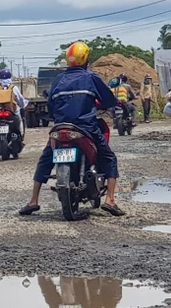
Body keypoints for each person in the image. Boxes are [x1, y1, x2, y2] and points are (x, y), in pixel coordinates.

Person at [19, 42, 124, 217]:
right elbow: (109, 101)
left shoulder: (58, 80)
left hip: (60, 128)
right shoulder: (91, 78)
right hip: (86, 128)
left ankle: (33, 201)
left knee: (45, 160)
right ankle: (110, 200)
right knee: (109, 157)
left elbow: (51, 106)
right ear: (87, 59)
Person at [0, 69, 29, 140]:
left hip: (0, 111)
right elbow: (20, 99)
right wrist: (22, 105)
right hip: (12, 111)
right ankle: (21, 134)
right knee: (19, 119)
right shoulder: (13, 88)